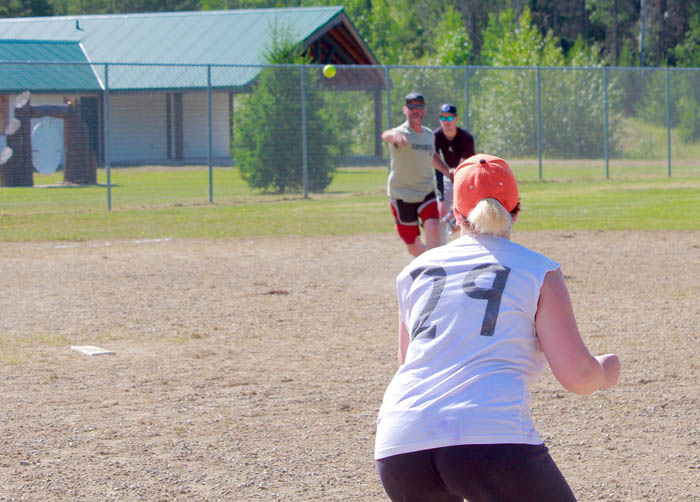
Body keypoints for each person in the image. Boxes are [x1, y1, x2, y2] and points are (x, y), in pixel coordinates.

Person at [374, 153, 621, 502]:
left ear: (456, 215)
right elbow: (578, 377)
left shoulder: (416, 270)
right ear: (516, 210)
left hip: (400, 441)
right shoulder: (538, 270)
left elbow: (408, 359)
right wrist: (606, 370)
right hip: (489, 438)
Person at [382, 92, 452, 257]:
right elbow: (386, 135)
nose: (415, 110)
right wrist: (395, 137)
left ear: (424, 110)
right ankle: (424, 261)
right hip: (402, 194)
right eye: (411, 106)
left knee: (434, 227)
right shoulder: (400, 132)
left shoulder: (428, 135)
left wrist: (447, 172)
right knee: (414, 248)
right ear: (405, 110)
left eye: (419, 106)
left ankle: (434, 270)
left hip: (426, 191)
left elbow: (431, 155)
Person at [433, 104, 475, 239]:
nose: (447, 121)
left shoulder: (466, 138)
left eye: (450, 117)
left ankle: (468, 235)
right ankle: (441, 242)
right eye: (443, 118)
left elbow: (466, 163)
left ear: (456, 119)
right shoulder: (436, 136)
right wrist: (442, 198)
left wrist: (454, 173)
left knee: (466, 208)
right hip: (445, 172)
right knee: (443, 207)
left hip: (465, 172)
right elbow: (434, 160)